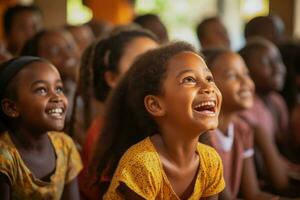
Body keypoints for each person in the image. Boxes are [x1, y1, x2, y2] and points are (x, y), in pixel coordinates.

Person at [92, 41, 225, 199]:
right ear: (155, 105)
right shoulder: (142, 164)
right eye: (189, 79)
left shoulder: (210, 160)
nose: (208, 87)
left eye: (209, 78)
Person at [73, 26, 159, 200]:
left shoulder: (161, 121)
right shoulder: (104, 135)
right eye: (140, 63)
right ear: (112, 78)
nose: (155, 72)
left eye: (159, 63)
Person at [202, 48, 298, 200]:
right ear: (207, 86)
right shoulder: (205, 137)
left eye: (246, 74)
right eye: (232, 76)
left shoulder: (242, 129)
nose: (245, 82)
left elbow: (253, 194)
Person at [0, 56, 82, 200]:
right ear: (12, 107)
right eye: (41, 90)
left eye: (58, 88)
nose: (57, 97)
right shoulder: (4, 158)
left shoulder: (65, 146)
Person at [239, 38, 300, 196]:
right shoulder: (243, 108)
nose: (279, 68)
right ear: (246, 70)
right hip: (260, 180)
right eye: (268, 62)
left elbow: (284, 144)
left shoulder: (276, 101)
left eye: (279, 61)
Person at [21, 29, 80, 128]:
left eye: (70, 47)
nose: (68, 55)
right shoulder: (36, 100)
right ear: (36, 58)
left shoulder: (77, 86)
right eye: (55, 51)